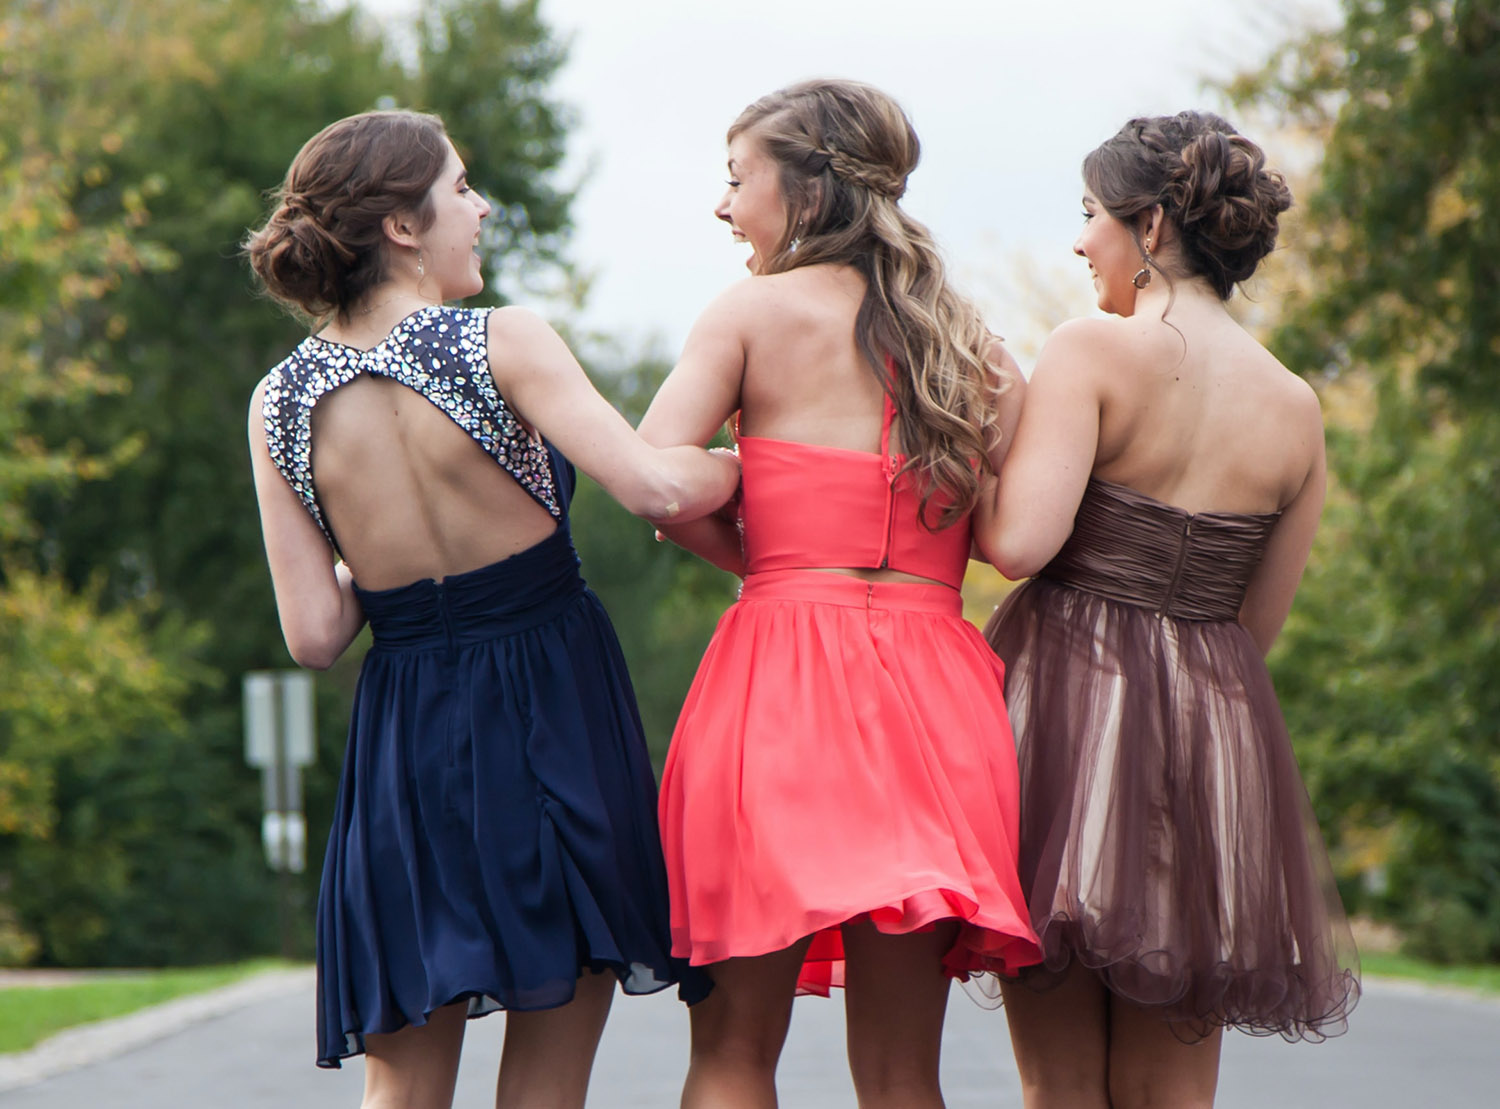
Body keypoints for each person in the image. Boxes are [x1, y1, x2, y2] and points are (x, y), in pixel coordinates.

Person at [242, 109, 738, 1109]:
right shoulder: (500, 340)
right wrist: (750, 464)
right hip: (550, 713)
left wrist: (381, 558)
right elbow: (651, 487)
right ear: (403, 225)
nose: (482, 207)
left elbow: (316, 634)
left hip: (405, 740)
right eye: (462, 188)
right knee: (547, 1079)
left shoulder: (279, 400)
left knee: (403, 1087)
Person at [637, 79, 1041, 1109]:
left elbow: (655, 477)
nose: (724, 207)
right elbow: (1008, 534)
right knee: (906, 1072)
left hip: (777, 680)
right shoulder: (975, 346)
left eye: (737, 180)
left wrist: (763, 532)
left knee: (731, 1055)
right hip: (938, 695)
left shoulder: (749, 314)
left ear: (807, 187)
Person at [975, 111, 1360, 1109]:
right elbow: (1254, 627)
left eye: (1091, 213)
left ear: (1150, 229)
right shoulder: (1296, 406)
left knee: (1059, 1084)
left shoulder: (1090, 350)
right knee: (1171, 1091)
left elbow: (1019, 543)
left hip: (1063, 716)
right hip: (1207, 732)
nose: (1078, 239)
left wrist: (985, 432)